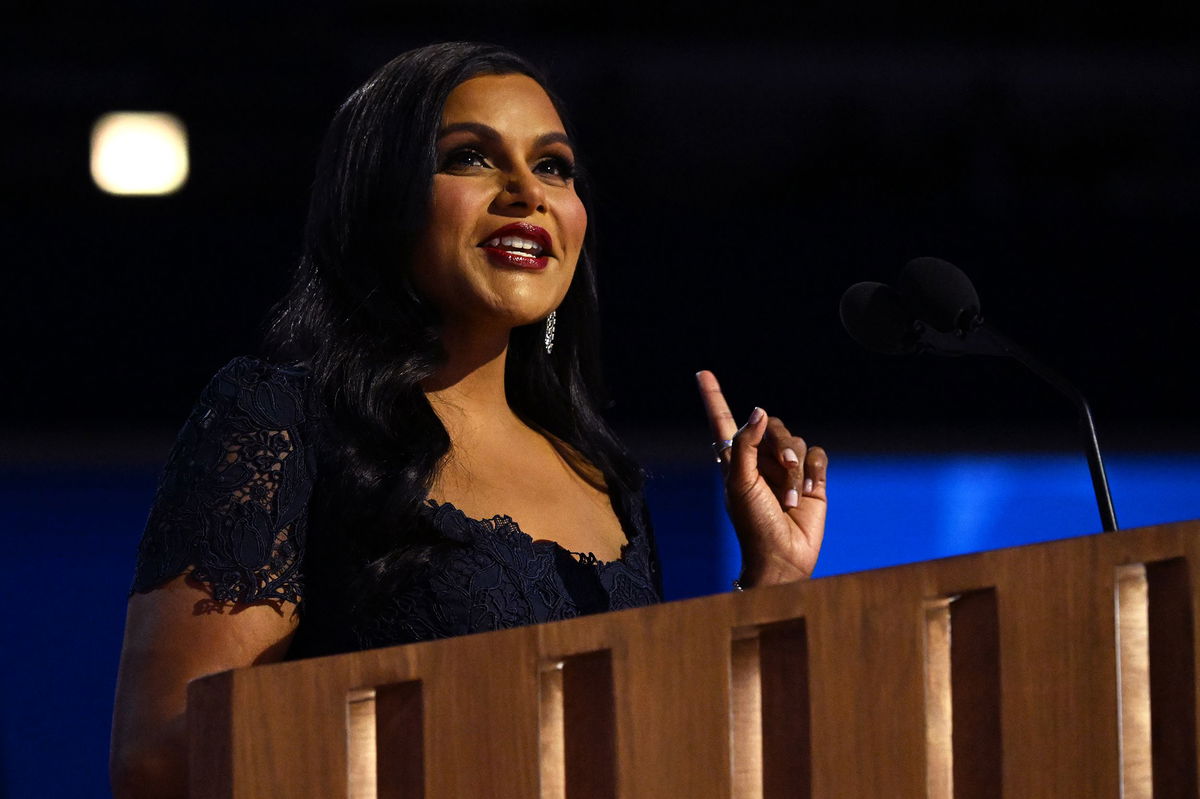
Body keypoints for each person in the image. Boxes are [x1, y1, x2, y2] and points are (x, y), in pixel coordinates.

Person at [109, 41, 828, 798]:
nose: (528, 192)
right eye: (472, 158)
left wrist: (769, 583)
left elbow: (657, 757)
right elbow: (162, 761)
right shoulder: (279, 422)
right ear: (383, 196)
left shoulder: (606, 480)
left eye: (554, 166)